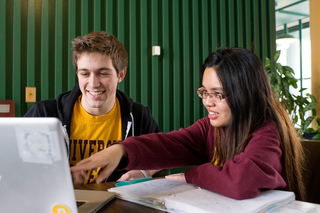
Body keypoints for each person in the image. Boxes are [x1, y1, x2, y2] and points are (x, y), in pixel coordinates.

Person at [70, 47, 306, 201]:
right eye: (204, 92)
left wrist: (190, 176)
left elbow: (241, 181)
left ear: (245, 93)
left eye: (218, 94)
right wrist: (120, 150)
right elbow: (169, 143)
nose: (208, 102)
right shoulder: (210, 127)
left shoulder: (267, 131)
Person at [24, 31, 164, 183]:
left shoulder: (139, 117)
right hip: (59, 205)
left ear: (120, 75)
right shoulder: (44, 114)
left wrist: (144, 172)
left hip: (117, 204)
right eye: (85, 74)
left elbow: (163, 159)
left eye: (103, 73)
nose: (93, 83)